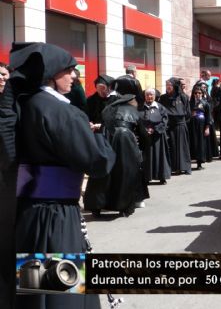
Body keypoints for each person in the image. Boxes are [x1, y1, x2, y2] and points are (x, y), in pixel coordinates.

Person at [7, 43, 115, 309]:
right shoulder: (62, 111)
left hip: (29, 213)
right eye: (69, 70)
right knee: (63, 289)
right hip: (56, 216)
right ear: (52, 73)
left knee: (36, 288)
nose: (74, 76)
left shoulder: (26, 104)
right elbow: (99, 162)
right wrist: (98, 137)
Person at [84, 76, 148, 217]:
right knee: (125, 174)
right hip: (126, 143)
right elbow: (143, 135)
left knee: (104, 173)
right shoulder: (133, 110)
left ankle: (96, 206)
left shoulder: (109, 108)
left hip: (107, 140)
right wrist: (143, 149)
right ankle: (124, 206)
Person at [159, 77, 192, 175]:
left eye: (170, 85)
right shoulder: (163, 98)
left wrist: (182, 122)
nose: (168, 87)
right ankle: (174, 168)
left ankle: (186, 167)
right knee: (172, 147)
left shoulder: (182, 97)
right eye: (167, 85)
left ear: (174, 86)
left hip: (181, 125)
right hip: (170, 126)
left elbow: (188, 112)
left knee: (183, 147)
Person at [139, 87, 171, 185]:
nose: (149, 97)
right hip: (146, 137)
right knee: (147, 157)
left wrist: (155, 129)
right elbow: (138, 120)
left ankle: (162, 177)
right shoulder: (140, 107)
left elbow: (165, 120)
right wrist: (145, 130)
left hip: (158, 137)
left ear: (154, 96)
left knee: (160, 156)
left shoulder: (160, 107)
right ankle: (147, 177)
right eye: (147, 95)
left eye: (151, 95)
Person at [189, 84, 212, 170]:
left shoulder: (205, 103)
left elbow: (208, 116)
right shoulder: (190, 103)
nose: (197, 94)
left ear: (202, 94)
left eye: (199, 93)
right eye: (195, 93)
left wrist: (207, 127)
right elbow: (186, 113)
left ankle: (199, 163)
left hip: (201, 125)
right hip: (192, 125)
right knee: (192, 143)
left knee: (200, 143)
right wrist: (191, 114)